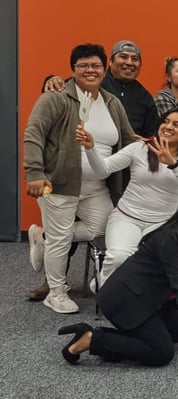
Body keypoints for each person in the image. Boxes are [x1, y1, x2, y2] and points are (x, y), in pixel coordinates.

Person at [24, 43, 135, 311]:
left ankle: (43, 238)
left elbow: (129, 138)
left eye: (95, 65)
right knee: (62, 239)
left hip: (98, 186)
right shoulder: (56, 97)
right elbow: (33, 134)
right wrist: (35, 172)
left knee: (104, 229)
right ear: (73, 69)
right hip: (58, 184)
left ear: (104, 69)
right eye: (83, 65)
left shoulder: (111, 102)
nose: (90, 70)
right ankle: (56, 293)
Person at [56, 193, 178, 366]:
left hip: (153, 299)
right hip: (127, 299)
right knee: (161, 353)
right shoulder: (170, 238)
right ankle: (91, 339)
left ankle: (114, 345)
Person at [75, 107, 178, 290]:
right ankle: (104, 286)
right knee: (119, 256)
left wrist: (174, 165)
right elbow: (102, 169)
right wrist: (91, 149)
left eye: (177, 124)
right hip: (127, 218)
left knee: (153, 262)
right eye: (165, 121)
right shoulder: (140, 148)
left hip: (162, 223)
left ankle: (132, 295)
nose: (169, 126)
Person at [44, 40, 158, 137]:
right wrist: (52, 79)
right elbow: (62, 88)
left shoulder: (145, 97)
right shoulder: (94, 80)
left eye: (135, 59)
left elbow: (151, 135)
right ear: (110, 62)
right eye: (123, 57)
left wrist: (143, 144)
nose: (129, 62)